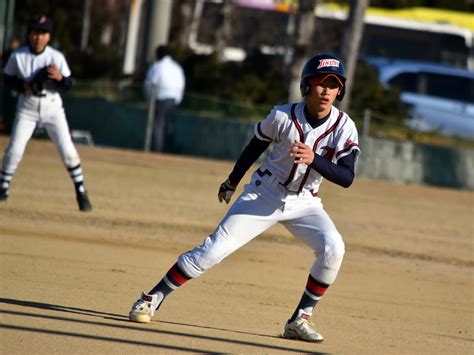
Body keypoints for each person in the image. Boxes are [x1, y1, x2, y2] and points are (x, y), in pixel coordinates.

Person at [129, 53, 360, 342]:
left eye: (334, 84)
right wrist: (232, 181)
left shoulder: (344, 126)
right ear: (306, 86)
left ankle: (299, 320)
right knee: (214, 250)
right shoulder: (282, 115)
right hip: (265, 193)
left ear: (341, 90)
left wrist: (313, 159)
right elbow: (255, 146)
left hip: (306, 201)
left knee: (334, 247)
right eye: (320, 82)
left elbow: (347, 177)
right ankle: (152, 297)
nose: (326, 90)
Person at [0, 15, 92, 212]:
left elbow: (68, 84)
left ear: (48, 37)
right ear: (29, 34)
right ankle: (3, 186)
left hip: (52, 108)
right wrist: (21, 85)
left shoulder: (55, 57)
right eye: (35, 32)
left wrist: (60, 78)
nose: (38, 37)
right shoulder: (18, 56)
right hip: (27, 108)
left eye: (43, 33)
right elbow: (7, 79)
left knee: (68, 152)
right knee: (14, 151)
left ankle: (81, 192)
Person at [144, 45, 185, 152]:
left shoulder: (157, 66)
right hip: (173, 101)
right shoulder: (177, 67)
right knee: (169, 126)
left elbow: (150, 84)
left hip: (160, 99)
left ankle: (159, 150)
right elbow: (181, 85)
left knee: (159, 126)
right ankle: (168, 151)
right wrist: (178, 99)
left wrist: (149, 99)